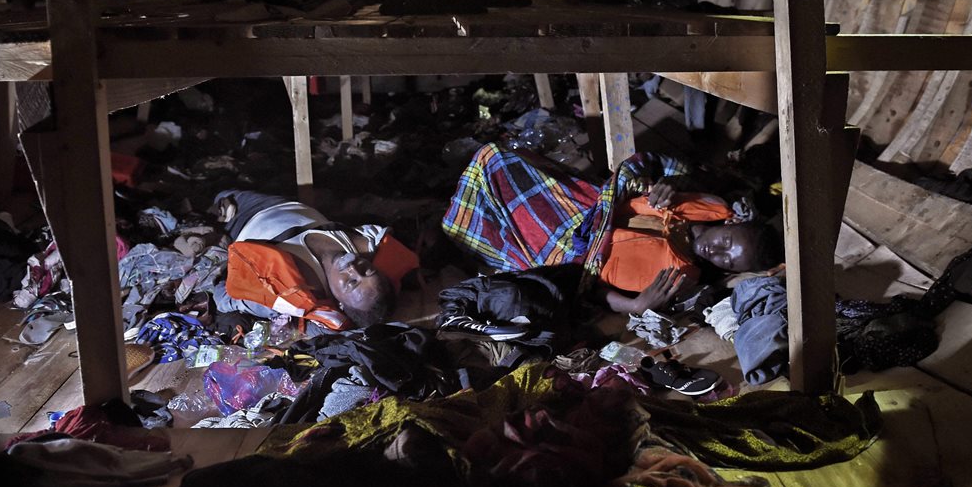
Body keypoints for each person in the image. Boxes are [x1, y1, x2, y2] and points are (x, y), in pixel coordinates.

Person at [442, 143, 774, 316]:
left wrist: (635, 306)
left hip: (570, 255)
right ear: (732, 221)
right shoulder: (702, 199)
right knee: (495, 158)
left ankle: (471, 226)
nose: (716, 252)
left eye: (727, 262)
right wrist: (664, 184)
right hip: (587, 207)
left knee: (472, 233)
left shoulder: (680, 277)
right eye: (727, 242)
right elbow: (643, 168)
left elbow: (593, 292)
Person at [212, 189, 407, 328]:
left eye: (351, 283)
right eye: (368, 270)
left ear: (339, 303)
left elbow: (225, 299)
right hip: (280, 202)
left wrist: (226, 269)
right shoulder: (365, 244)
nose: (353, 268)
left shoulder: (292, 292)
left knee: (218, 197)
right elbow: (384, 236)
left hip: (242, 221)